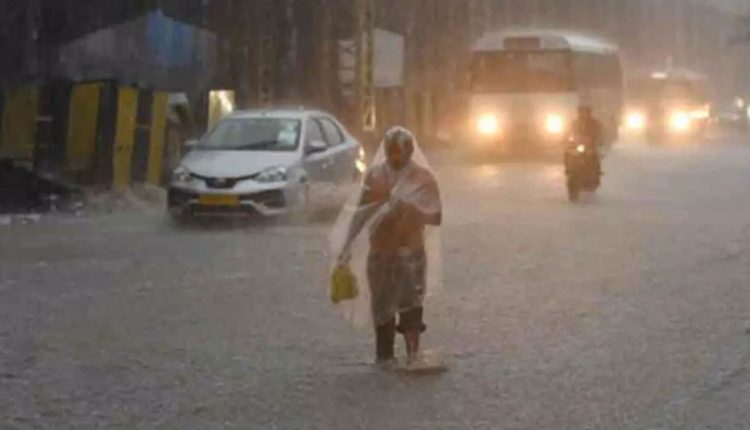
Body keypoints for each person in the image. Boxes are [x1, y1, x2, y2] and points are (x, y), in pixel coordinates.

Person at [334, 126, 442, 366]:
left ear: (409, 152)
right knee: (382, 308)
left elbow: (436, 217)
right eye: (390, 151)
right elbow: (360, 214)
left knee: (411, 306)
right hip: (380, 253)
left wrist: (410, 208)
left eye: (399, 152)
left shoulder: (423, 179)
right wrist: (346, 247)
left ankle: (413, 355)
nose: (395, 157)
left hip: (411, 253)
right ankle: (384, 357)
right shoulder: (374, 177)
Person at [569, 104, 604, 177]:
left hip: (590, 145)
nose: (583, 114)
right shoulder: (574, 123)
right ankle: (569, 168)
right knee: (569, 153)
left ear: (589, 113)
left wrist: (596, 140)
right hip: (578, 143)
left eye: (585, 112)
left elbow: (599, 132)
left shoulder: (594, 123)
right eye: (581, 112)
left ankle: (597, 170)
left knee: (594, 155)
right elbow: (569, 132)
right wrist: (570, 139)